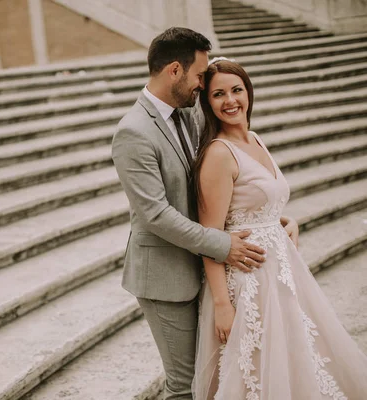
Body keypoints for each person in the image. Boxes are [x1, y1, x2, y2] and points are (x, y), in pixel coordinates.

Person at [111, 27, 298, 399]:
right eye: (199, 76)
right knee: (185, 385)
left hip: (206, 265)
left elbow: (217, 192)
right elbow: (155, 214)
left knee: (217, 375)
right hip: (166, 277)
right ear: (175, 70)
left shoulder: (187, 114)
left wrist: (269, 221)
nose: (202, 84)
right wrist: (222, 244)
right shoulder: (133, 132)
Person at [192, 57, 367, 399]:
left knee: (297, 362)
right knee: (256, 372)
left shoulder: (254, 139)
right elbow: (209, 236)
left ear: (248, 92)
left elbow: (262, 202)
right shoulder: (218, 154)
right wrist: (223, 305)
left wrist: (287, 222)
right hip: (248, 282)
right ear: (207, 103)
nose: (230, 101)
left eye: (237, 90)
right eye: (218, 95)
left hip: (282, 273)